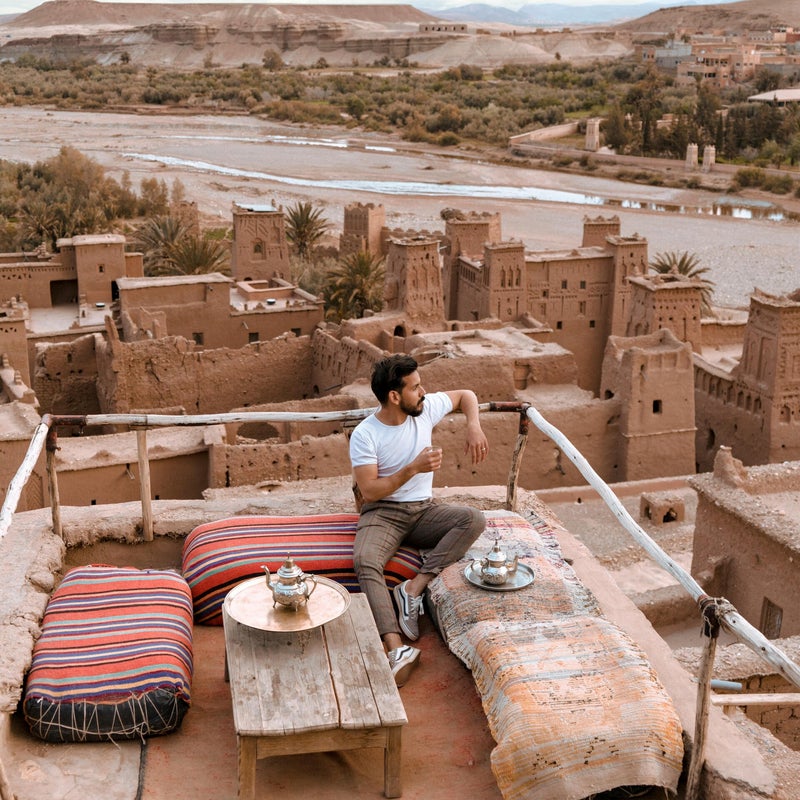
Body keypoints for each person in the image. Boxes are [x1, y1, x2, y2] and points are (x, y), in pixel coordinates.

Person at [349, 354, 489, 687]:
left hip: (423, 511)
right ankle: (396, 649)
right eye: (415, 387)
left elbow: (465, 395)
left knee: (472, 520)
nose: (423, 391)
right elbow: (369, 491)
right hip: (383, 513)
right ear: (395, 396)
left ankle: (413, 589)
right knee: (365, 560)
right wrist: (413, 468)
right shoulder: (366, 434)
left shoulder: (424, 409)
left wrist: (473, 424)